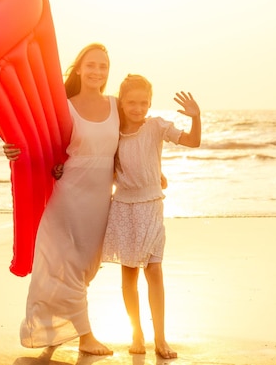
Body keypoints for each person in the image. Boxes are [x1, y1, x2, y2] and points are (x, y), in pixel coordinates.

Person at [3, 43, 118, 356]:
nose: (97, 71)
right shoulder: (63, 106)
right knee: (64, 265)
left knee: (86, 269)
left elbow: (136, 140)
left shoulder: (116, 106)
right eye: (91, 65)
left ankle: (52, 329)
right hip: (68, 194)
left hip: (99, 201)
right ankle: (86, 337)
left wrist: (151, 172)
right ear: (79, 68)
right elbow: (36, 140)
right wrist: (13, 149)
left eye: (103, 66)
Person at [101, 74, 201, 359]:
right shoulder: (113, 132)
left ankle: (160, 338)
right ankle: (136, 333)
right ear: (122, 103)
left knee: (154, 270)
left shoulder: (157, 126)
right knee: (129, 272)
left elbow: (193, 142)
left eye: (143, 102)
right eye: (132, 102)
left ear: (150, 103)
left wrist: (196, 117)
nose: (137, 108)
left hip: (152, 205)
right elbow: (98, 164)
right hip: (122, 206)